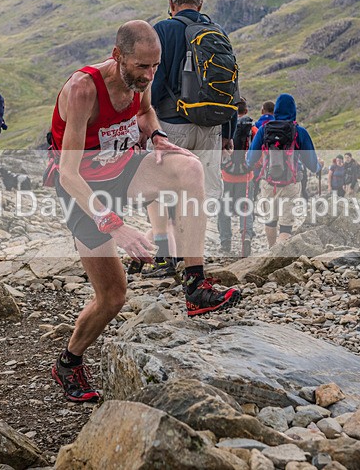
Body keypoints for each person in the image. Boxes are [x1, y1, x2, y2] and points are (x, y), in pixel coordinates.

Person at [48, 20, 242, 402]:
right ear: (118, 56)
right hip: (83, 190)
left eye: (155, 66)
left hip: (123, 170)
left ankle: (195, 285)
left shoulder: (142, 76)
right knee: (113, 297)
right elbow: (69, 174)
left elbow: (147, 112)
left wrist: (157, 136)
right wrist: (115, 225)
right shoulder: (82, 90)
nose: (149, 74)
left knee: (189, 167)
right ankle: (68, 363)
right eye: (141, 67)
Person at [141, 0, 239, 278]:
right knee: (197, 193)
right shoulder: (217, 32)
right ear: (201, 4)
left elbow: (151, 81)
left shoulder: (162, 30)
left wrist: (147, 123)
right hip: (210, 126)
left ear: (171, 4)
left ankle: (164, 256)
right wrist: (228, 132)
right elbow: (229, 86)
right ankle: (192, 262)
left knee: (157, 189)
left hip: (171, 125)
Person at [247, 93, 323, 248]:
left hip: (268, 183)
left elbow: (251, 158)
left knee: (270, 220)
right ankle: (277, 255)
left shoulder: (264, 129)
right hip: (291, 183)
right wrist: (319, 166)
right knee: (286, 226)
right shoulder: (299, 132)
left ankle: (271, 250)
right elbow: (311, 163)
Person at [218, 98, 256, 255]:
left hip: (226, 176)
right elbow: (259, 151)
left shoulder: (224, 126)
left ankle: (225, 242)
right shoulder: (252, 129)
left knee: (224, 210)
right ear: (246, 111)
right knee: (246, 209)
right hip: (246, 177)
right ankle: (246, 237)